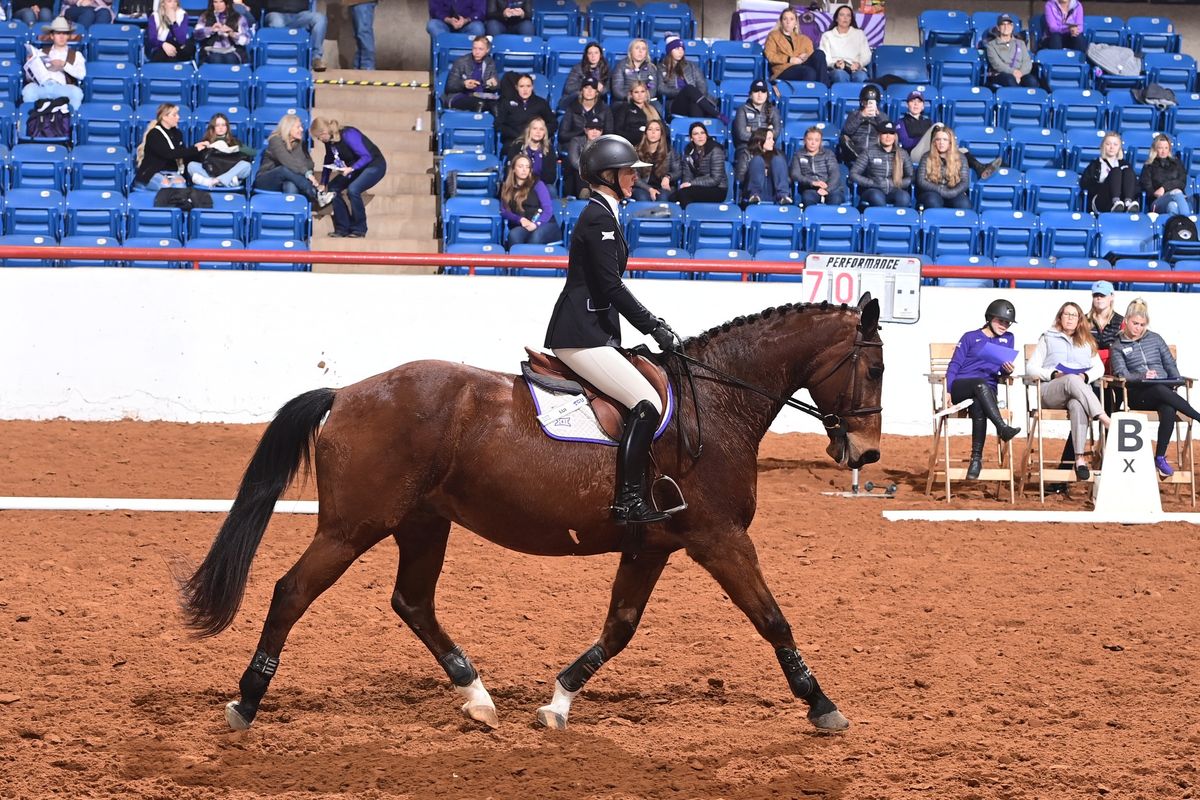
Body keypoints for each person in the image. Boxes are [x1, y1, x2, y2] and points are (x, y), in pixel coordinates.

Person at [544, 134, 679, 525]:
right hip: (580, 334)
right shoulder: (598, 217)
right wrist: (653, 326)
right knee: (646, 404)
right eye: (627, 172)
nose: (634, 178)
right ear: (607, 175)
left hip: (595, 330)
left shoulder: (608, 213)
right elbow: (610, 287)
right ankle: (627, 502)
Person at [1109, 298, 1200, 478]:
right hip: (1137, 394)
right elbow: (1122, 374)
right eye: (1135, 323)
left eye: (1142, 324)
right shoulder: (1118, 345)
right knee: (1160, 391)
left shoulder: (1155, 338)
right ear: (1126, 321)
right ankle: (1197, 416)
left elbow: (1170, 365)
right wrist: (1141, 376)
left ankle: (1159, 457)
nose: (1138, 328)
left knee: (1168, 407)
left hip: (1163, 391)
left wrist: (1175, 381)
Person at [1027, 302, 1113, 481]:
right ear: (1060, 317)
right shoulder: (1048, 337)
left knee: (1078, 405)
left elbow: (1098, 369)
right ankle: (1103, 417)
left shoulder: (1087, 341)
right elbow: (1031, 368)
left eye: (1074, 315)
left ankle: (1079, 458)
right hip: (1051, 391)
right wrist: (1053, 374)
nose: (1070, 318)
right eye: (1067, 314)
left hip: (1077, 393)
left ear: (1080, 320)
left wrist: (1085, 376)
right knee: (1071, 378)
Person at [945, 299, 1023, 480]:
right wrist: (947, 391)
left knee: (980, 401)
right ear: (989, 318)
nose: (1004, 325)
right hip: (962, 386)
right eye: (1000, 321)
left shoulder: (1008, 338)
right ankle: (1002, 428)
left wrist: (1007, 369)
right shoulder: (970, 337)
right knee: (980, 384)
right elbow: (955, 364)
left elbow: (1002, 368)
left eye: (1007, 322)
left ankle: (976, 459)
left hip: (987, 391)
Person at [312, 117, 386, 238]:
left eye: (318, 137)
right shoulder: (329, 142)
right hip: (356, 167)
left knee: (353, 189)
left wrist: (351, 168)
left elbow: (366, 156)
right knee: (333, 188)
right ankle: (343, 228)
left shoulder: (348, 134)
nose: (318, 140)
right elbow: (328, 159)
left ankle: (359, 228)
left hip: (374, 165)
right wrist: (324, 182)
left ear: (324, 133)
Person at [254, 113, 333, 207]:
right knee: (284, 169)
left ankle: (292, 214)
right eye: (298, 127)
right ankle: (316, 194)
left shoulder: (297, 143)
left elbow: (307, 164)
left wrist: (306, 171)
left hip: (287, 179)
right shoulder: (275, 140)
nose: (302, 130)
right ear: (288, 128)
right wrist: (307, 174)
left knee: (291, 185)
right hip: (266, 180)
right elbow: (287, 161)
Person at [134, 103, 210, 190]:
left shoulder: (177, 133)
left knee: (180, 186)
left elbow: (182, 152)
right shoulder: (154, 134)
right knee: (166, 187)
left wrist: (199, 148)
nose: (178, 117)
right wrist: (194, 149)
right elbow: (168, 153)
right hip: (151, 173)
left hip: (171, 172)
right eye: (174, 115)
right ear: (164, 117)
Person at [22, 17, 86, 111]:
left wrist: (64, 65)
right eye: (58, 33)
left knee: (77, 92)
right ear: (52, 36)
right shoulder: (40, 52)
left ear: (68, 36)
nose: (61, 36)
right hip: (42, 87)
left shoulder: (76, 55)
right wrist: (30, 64)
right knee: (28, 90)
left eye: (64, 33)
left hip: (61, 88)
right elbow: (29, 78)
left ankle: (71, 120)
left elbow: (81, 75)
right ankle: (31, 120)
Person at [500, 154, 561, 248]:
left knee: (536, 237)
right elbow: (504, 212)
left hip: (545, 223)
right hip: (525, 225)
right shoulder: (507, 188)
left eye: (527, 167)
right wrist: (520, 219)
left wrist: (537, 224)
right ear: (513, 169)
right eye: (520, 166)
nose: (524, 170)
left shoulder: (538, 184)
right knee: (514, 235)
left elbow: (548, 210)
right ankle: (517, 262)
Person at [657, 36, 722, 120]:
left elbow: (703, 86)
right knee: (689, 89)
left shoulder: (691, 66)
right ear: (669, 51)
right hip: (676, 104)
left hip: (695, 102)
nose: (680, 51)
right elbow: (661, 89)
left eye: (682, 49)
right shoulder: (661, 68)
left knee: (694, 102)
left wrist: (692, 95)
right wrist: (683, 92)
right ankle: (716, 114)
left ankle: (697, 128)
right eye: (677, 48)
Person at [851, 120, 912, 208]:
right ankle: (881, 221)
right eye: (884, 133)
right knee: (877, 197)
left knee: (904, 197)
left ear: (895, 136)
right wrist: (872, 183)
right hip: (873, 190)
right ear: (879, 135)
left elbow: (911, 176)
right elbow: (853, 174)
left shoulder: (902, 153)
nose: (888, 136)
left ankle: (896, 221)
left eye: (891, 133)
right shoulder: (869, 152)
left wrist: (897, 183)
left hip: (894, 190)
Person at [187, 112, 255, 188]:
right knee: (191, 165)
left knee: (247, 165)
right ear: (213, 127)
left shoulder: (234, 141)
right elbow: (192, 157)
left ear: (227, 127)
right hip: (211, 171)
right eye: (217, 125)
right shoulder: (206, 141)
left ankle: (213, 181)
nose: (221, 128)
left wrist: (237, 148)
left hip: (230, 170)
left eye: (223, 125)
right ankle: (226, 182)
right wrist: (201, 147)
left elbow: (253, 152)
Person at [1080, 131, 1140, 213]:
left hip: (1123, 200)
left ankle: (1128, 203)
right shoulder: (1095, 164)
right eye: (1108, 144)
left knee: (1127, 171)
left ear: (1119, 148)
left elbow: (1136, 186)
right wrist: (1105, 185)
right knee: (1116, 171)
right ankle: (1115, 202)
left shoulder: (1126, 165)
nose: (1112, 147)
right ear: (1103, 146)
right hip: (1102, 199)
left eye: (1115, 145)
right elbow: (1085, 183)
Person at [764, 7, 828, 84]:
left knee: (819, 54)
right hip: (784, 70)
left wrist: (806, 57)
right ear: (781, 22)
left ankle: (824, 89)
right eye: (785, 19)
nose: (788, 22)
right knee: (809, 72)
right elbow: (770, 56)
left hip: (802, 65)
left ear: (795, 23)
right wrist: (789, 59)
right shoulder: (773, 36)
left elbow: (812, 56)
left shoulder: (804, 39)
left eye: (791, 19)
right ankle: (805, 95)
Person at [260, 0, 328, 71]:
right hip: (276, 13)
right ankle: (280, 58)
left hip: (300, 15)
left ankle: (315, 58)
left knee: (320, 19)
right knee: (277, 23)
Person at [673, 122, 727, 208]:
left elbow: (715, 179)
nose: (700, 136)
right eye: (696, 134)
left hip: (718, 189)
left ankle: (689, 218)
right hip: (698, 186)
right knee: (673, 197)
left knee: (684, 194)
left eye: (702, 133)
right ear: (691, 138)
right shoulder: (688, 150)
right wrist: (686, 184)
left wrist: (691, 184)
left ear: (706, 135)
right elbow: (687, 175)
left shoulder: (715, 150)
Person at [916, 125, 971, 210]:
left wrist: (953, 192)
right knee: (933, 201)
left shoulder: (961, 158)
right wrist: (940, 190)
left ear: (950, 142)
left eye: (945, 140)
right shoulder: (926, 157)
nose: (941, 143)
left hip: (953, 192)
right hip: (932, 192)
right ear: (934, 142)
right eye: (938, 139)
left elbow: (964, 182)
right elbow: (921, 181)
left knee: (964, 204)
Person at [790, 126, 846, 207]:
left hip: (830, 188)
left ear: (820, 142)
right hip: (811, 189)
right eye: (810, 139)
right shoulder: (798, 155)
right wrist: (813, 183)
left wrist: (827, 189)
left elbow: (835, 174)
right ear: (805, 140)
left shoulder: (828, 154)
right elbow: (795, 174)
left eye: (816, 140)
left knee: (836, 199)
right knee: (807, 198)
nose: (813, 143)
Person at [1140, 133, 1192, 217]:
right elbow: (1147, 186)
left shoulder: (1176, 163)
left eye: (1166, 148)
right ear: (1155, 149)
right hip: (1157, 201)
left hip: (1177, 199)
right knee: (1176, 192)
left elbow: (1182, 182)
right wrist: (1156, 192)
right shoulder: (1148, 166)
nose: (1163, 151)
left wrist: (1164, 188)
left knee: (1172, 206)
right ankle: (1187, 220)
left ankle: (1175, 228)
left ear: (1169, 149)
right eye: (1160, 148)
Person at [444, 35, 499, 113]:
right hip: (460, 96)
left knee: (498, 105)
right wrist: (463, 84)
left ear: (487, 50)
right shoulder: (461, 62)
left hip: (481, 96)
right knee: (479, 103)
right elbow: (450, 86)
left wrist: (494, 84)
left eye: (480, 49)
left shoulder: (490, 63)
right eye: (474, 48)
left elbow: (496, 85)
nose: (477, 52)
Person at [736, 129, 791, 206]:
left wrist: (771, 172)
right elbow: (740, 178)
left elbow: (787, 179)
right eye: (769, 139)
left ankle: (783, 197)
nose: (773, 142)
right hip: (752, 189)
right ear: (759, 142)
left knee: (778, 160)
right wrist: (756, 172)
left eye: (772, 139)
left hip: (773, 189)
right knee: (757, 161)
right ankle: (754, 196)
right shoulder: (747, 155)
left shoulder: (778, 154)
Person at [820, 4, 871, 84]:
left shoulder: (859, 34)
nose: (845, 18)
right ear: (836, 18)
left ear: (851, 19)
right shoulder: (827, 36)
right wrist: (835, 64)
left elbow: (867, 55)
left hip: (855, 69)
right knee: (840, 75)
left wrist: (859, 64)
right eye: (842, 15)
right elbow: (825, 57)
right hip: (836, 69)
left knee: (861, 76)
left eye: (848, 15)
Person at [558, 77, 611, 151]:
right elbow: (562, 135)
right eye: (586, 87)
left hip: (598, 146)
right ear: (581, 91)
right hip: (576, 145)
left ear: (596, 92)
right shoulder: (572, 108)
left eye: (593, 88)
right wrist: (584, 131)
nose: (589, 91)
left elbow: (609, 134)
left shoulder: (604, 109)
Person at [985, 14, 1038, 88]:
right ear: (998, 28)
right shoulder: (991, 45)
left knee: (1031, 81)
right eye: (1003, 25)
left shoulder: (1020, 43)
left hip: (1021, 74)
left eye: (1009, 24)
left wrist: (1020, 73)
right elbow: (997, 64)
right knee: (1010, 79)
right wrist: (1013, 72)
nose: (1006, 27)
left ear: (1012, 27)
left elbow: (1027, 62)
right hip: (1001, 74)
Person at [732, 79, 782, 158]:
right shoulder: (742, 109)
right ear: (750, 94)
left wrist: (751, 129)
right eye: (756, 91)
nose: (759, 95)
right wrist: (767, 132)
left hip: (768, 147)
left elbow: (776, 133)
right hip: (747, 147)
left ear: (767, 95)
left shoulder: (774, 110)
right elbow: (742, 134)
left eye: (763, 92)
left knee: (780, 158)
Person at [194, 0, 251, 64]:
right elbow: (196, 34)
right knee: (216, 58)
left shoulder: (238, 18)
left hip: (233, 50)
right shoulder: (205, 16)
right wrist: (211, 30)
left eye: (221, 2)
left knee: (230, 59)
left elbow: (246, 40)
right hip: (211, 50)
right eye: (215, 2)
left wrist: (232, 33)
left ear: (227, 3)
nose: (218, 5)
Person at [506, 117, 557, 188]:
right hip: (520, 183)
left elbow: (551, 177)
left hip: (541, 184)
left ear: (544, 133)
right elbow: (510, 170)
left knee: (551, 190)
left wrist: (535, 182)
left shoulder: (549, 149)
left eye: (541, 129)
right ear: (529, 130)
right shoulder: (517, 146)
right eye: (535, 128)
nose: (538, 132)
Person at [838, 83, 882, 165]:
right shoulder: (854, 114)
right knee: (843, 139)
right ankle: (862, 160)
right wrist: (861, 116)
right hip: (856, 153)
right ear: (862, 102)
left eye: (872, 102)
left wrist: (878, 116)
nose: (869, 105)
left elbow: (887, 131)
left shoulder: (882, 116)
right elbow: (847, 131)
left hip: (875, 153)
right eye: (867, 102)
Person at [611, 81, 662, 149]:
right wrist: (639, 135)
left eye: (642, 91)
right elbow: (618, 131)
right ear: (631, 94)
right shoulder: (624, 109)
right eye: (636, 92)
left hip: (650, 145)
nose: (640, 95)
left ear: (646, 93)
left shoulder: (653, 110)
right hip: (630, 145)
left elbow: (663, 129)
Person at [559, 41, 609, 110]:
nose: (593, 56)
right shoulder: (578, 68)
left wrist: (601, 89)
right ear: (586, 55)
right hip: (576, 101)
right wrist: (586, 83)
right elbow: (568, 88)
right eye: (590, 53)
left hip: (596, 101)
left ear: (600, 55)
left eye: (596, 53)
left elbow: (607, 90)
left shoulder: (605, 69)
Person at [632, 119, 674, 202]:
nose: (653, 132)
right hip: (643, 187)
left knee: (663, 198)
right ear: (646, 133)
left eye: (657, 130)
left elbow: (678, 170)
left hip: (663, 188)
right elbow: (635, 176)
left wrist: (668, 177)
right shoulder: (636, 151)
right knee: (643, 198)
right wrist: (650, 189)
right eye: (650, 129)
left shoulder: (669, 151)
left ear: (661, 133)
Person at [564, 117, 605, 198]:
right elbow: (575, 162)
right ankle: (585, 193)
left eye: (597, 129)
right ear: (586, 130)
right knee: (578, 172)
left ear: (601, 132)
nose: (594, 132)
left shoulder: (605, 144)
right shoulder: (576, 141)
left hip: (597, 175)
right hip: (579, 175)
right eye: (591, 128)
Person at [611, 38, 657, 103]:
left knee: (658, 109)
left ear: (646, 52)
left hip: (645, 100)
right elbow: (617, 91)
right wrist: (633, 98)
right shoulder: (621, 66)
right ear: (631, 51)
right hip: (625, 100)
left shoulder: (651, 68)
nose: (640, 51)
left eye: (643, 49)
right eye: (637, 48)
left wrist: (643, 98)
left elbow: (653, 90)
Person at [345, 0, 377, 70]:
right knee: (358, 35)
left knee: (363, 32)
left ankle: (367, 67)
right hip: (354, 3)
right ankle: (359, 67)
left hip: (363, 2)